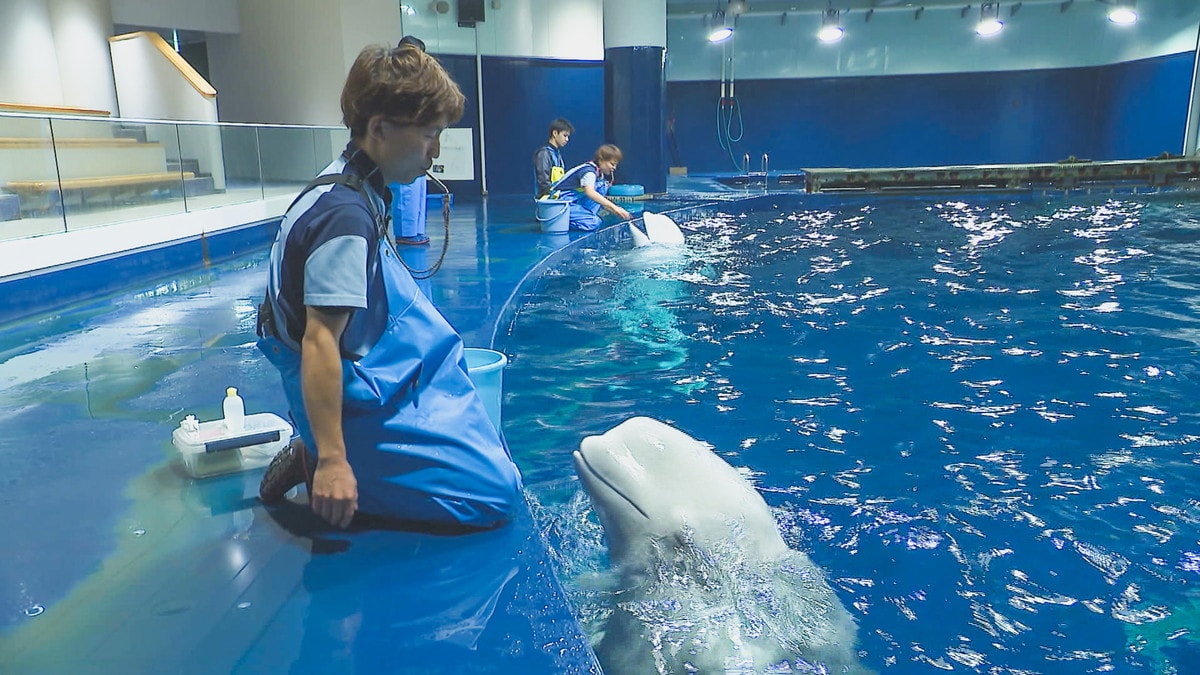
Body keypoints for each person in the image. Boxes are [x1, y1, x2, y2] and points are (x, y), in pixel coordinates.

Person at [255, 43, 522, 533]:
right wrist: (335, 460)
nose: (435, 151)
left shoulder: (357, 184)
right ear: (379, 129)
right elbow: (319, 343)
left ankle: (331, 443)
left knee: (446, 363)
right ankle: (317, 455)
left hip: (359, 347)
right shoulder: (344, 220)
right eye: (428, 135)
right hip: (329, 365)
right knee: (491, 492)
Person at [391, 35, 431, 246]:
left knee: (418, 184)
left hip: (417, 138)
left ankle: (416, 229)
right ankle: (405, 232)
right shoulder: (394, 78)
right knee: (405, 186)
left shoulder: (419, 79)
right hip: (401, 139)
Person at [550, 144, 631, 231]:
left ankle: (585, 215)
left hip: (571, 202)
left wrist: (616, 211)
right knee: (594, 223)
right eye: (612, 164)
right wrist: (615, 208)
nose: (614, 168)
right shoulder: (589, 172)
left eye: (615, 165)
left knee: (603, 185)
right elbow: (590, 192)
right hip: (558, 204)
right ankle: (559, 221)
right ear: (601, 160)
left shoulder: (598, 174)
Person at [532, 118, 573, 199]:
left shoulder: (557, 154)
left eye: (568, 136)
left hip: (557, 196)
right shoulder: (544, 153)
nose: (567, 139)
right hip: (548, 200)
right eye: (565, 136)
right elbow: (543, 182)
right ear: (555, 133)